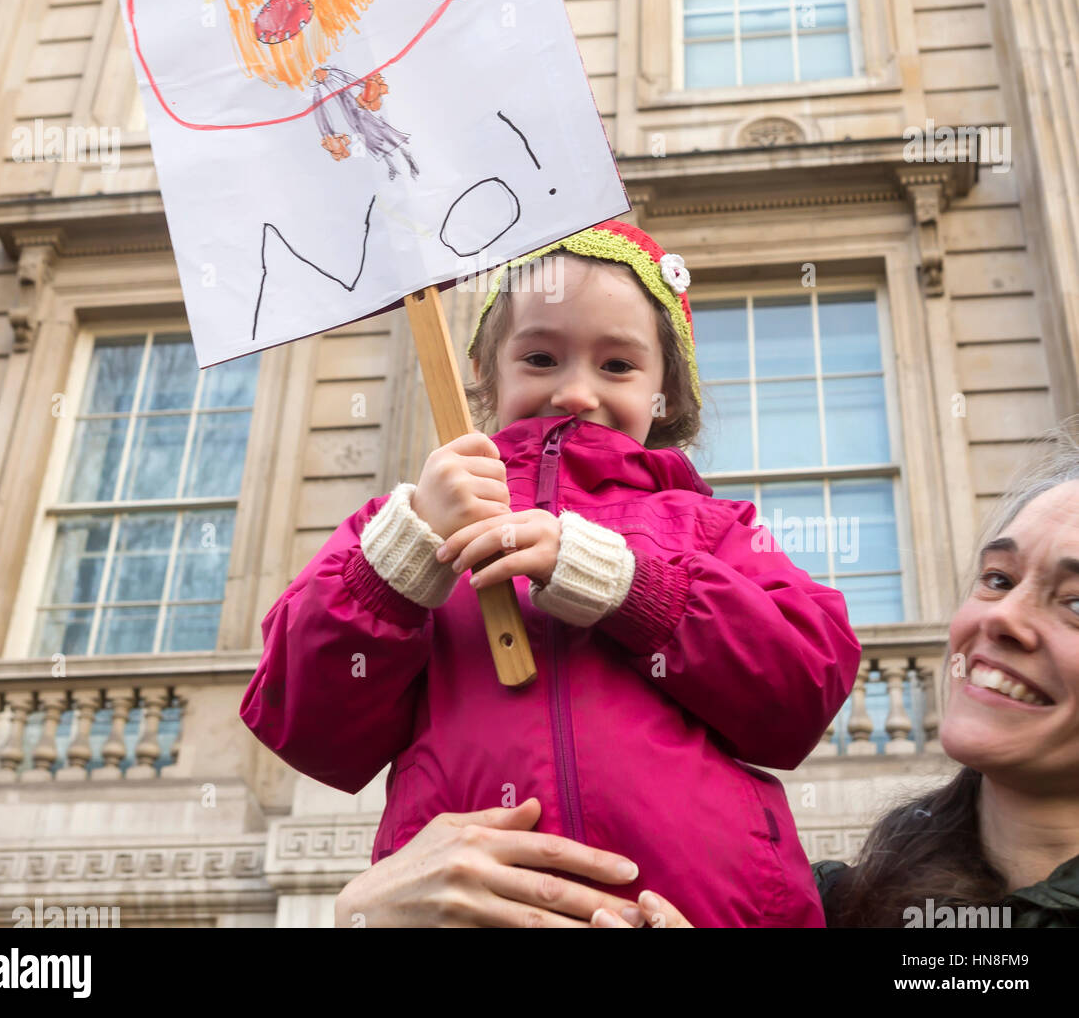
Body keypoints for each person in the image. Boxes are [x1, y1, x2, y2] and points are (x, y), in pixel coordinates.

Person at [240, 218, 862, 926]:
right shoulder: (407, 522)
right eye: (540, 357)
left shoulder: (710, 528)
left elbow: (802, 688)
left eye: (617, 366)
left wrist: (627, 585)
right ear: (484, 371)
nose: (574, 392)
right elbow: (303, 719)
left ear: (668, 394)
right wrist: (404, 556)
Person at [339, 422, 1079, 929]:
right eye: (994, 577)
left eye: (1074, 603)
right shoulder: (836, 904)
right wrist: (361, 917)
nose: (1002, 619)